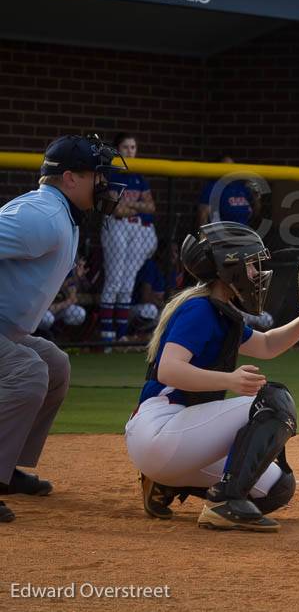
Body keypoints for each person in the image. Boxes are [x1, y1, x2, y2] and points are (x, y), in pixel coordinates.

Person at [124, 222, 299, 532]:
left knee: (277, 489)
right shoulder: (200, 309)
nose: (259, 274)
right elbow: (170, 369)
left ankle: (166, 485)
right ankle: (225, 502)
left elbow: (269, 344)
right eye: (252, 265)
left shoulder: (221, 313)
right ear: (228, 268)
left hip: (176, 440)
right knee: (274, 400)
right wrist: (229, 381)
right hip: (159, 426)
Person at [0, 134, 124, 523]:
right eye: (96, 175)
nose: (103, 184)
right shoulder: (44, 217)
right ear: (70, 178)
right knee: (28, 371)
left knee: (54, 365)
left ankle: (8, 469)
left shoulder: (60, 215)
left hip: (8, 328)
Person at [99, 133, 157, 343]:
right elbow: (116, 210)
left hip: (137, 231)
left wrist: (130, 206)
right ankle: (106, 336)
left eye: (133, 147)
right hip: (116, 227)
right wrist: (137, 206)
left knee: (127, 282)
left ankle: (121, 336)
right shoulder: (112, 173)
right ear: (117, 150)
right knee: (114, 281)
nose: (130, 152)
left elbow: (151, 207)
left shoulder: (139, 177)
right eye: (125, 147)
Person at [129, 242, 183, 336]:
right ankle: (135, 333)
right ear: (161, 253)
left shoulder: (172, 271)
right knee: (150, 310)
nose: (174, 255)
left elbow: (170, 297)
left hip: (158, 307)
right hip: (136, 308)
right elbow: (145, 297)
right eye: (170, 252)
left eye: (176, 252)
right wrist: (161, 303)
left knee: (174, 313)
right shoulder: (151, 266)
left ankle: (151, 335)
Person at [196, 156, 257, 229]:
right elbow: (203, 217)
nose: (230, 169)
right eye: (226, 166)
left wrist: (256, 196)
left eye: (232, 166)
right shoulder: (212, 188)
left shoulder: (241, 187)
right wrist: (204, 236)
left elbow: (254, 213)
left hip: (244, 232)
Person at [38, 257, 90, 334]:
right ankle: (41, 334)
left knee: (80, 313)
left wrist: (76, 278)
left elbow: (73, 298)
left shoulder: (68, 269)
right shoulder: (44, 268)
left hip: (59, 307)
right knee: (48, 319)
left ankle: (60, 331)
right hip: (42, 310)